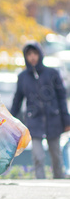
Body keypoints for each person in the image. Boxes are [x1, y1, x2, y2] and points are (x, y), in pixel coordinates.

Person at [11, 42, 70, 179]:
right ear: (25, 57)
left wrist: (67, 120)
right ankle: (40, 184)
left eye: (35, 54)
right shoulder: (23, 77)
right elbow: (17, 100)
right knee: (38, 156)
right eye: (29, 54)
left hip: (53, 119)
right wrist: (10, 119)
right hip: (34, 120)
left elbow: (62, 98)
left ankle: (58, 182)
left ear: (40, 54)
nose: (32, 57)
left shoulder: (52, 73)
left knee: (56, 155)